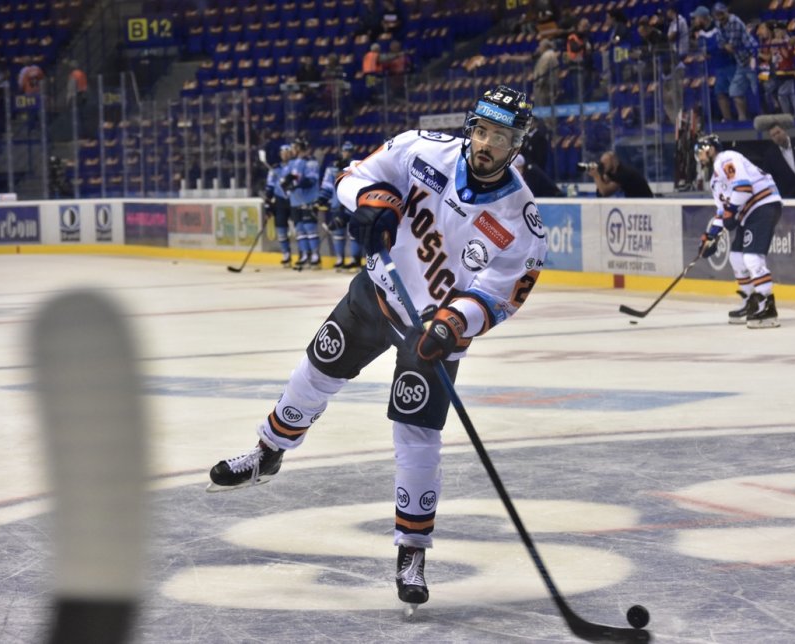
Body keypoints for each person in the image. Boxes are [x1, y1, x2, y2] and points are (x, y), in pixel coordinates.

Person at [206, 86, 548, 609]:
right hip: (376, 294)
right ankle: (267, 452)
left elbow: (500, 296)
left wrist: (455, 322)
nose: (485, 144)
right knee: (315, 371)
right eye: (481, 131)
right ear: (470, 127)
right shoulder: (420, 149)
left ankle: (412, 550)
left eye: (499, 137)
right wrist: (369, 201)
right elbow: (351, 178)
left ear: (517, 145)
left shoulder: (521, 221)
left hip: (431, 333)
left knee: (416, 435)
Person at [694, 134, 783, 328]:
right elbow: (722, 211)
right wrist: (710, 236)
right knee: (736, 256)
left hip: (763, 204)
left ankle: (767, 306)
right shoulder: (715, 181)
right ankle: (750, 302)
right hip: (749, 212)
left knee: (752, 258)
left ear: (710, 149)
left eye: (700, 152)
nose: (699, 158)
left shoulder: (726, 158)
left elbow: (744, 188)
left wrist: (731, 211)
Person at [316, 141, 363, 270]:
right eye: (345, 150)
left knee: (354, 232)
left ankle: (355, 259)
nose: (346, 153)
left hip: (352, 204)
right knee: (338, 233)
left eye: (349, 151)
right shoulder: (332, 167)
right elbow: (327, 185)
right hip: (337, 203)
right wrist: (322, 199)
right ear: (341, 151)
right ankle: (340, 259)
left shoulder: (357, 165)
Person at [713, 2, 759, 122]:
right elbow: (719, 42)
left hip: (752, 57)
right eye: (717, 14)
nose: (720, 17)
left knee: (757, 89)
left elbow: (733, 44)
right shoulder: (718, 23)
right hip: (741, 62)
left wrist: (725, 45)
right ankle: (743, 119)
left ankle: (764, 116)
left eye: (721, 13)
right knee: (734, 91)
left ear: (726, 11)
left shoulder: (734, 21)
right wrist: (725, 45)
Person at [691, 6, 736, 123]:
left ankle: (743, 119)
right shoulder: (701, 33)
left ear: (702, 18)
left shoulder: (719, 27)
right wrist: (711, 51)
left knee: (736, 93)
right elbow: (704, 51)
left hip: (730, 64)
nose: (694, 21)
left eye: (696, 18)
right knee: (720, 93)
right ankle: (728, 120)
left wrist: (712, 50)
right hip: (717, 67)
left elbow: (721, 46)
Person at [283, 136, 322, 268]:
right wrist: (286, 182)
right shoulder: (292, 163)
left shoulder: (311, 162)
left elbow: (311, 180)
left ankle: (315, 256)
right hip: (295, 200)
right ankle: (304, 255)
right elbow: (288, 177)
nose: (292, 150)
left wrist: (297, 184)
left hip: (308, 199)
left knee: (309, 228)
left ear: (299, 148)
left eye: (294, 147)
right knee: (299, 229)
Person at [758, 117, 795, 198]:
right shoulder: (770, 155)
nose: (777, 136)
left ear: (784, 130)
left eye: (778, 132)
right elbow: (769, 178)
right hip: (788, 196)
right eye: (773, 135)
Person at [265, 144, 296, 267]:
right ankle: (286, 255)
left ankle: (304, 255)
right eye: (283, 153)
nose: (285, 155)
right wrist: (268, 204)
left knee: (299, 229)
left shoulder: (295, 166)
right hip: (280, 201)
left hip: (294, 199)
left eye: (287, 152)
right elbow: (270, 186)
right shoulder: (275, 168)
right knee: (281, 228)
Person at [588, 151, 654, 197]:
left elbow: (605, 192)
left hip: (644, 201)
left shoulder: (624, 172)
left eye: (605, 163)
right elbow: (600, 194)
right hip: (633, 201)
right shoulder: (611, 173)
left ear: (614, 161)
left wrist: (596, 176)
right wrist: (601, 177)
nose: (603, 166)